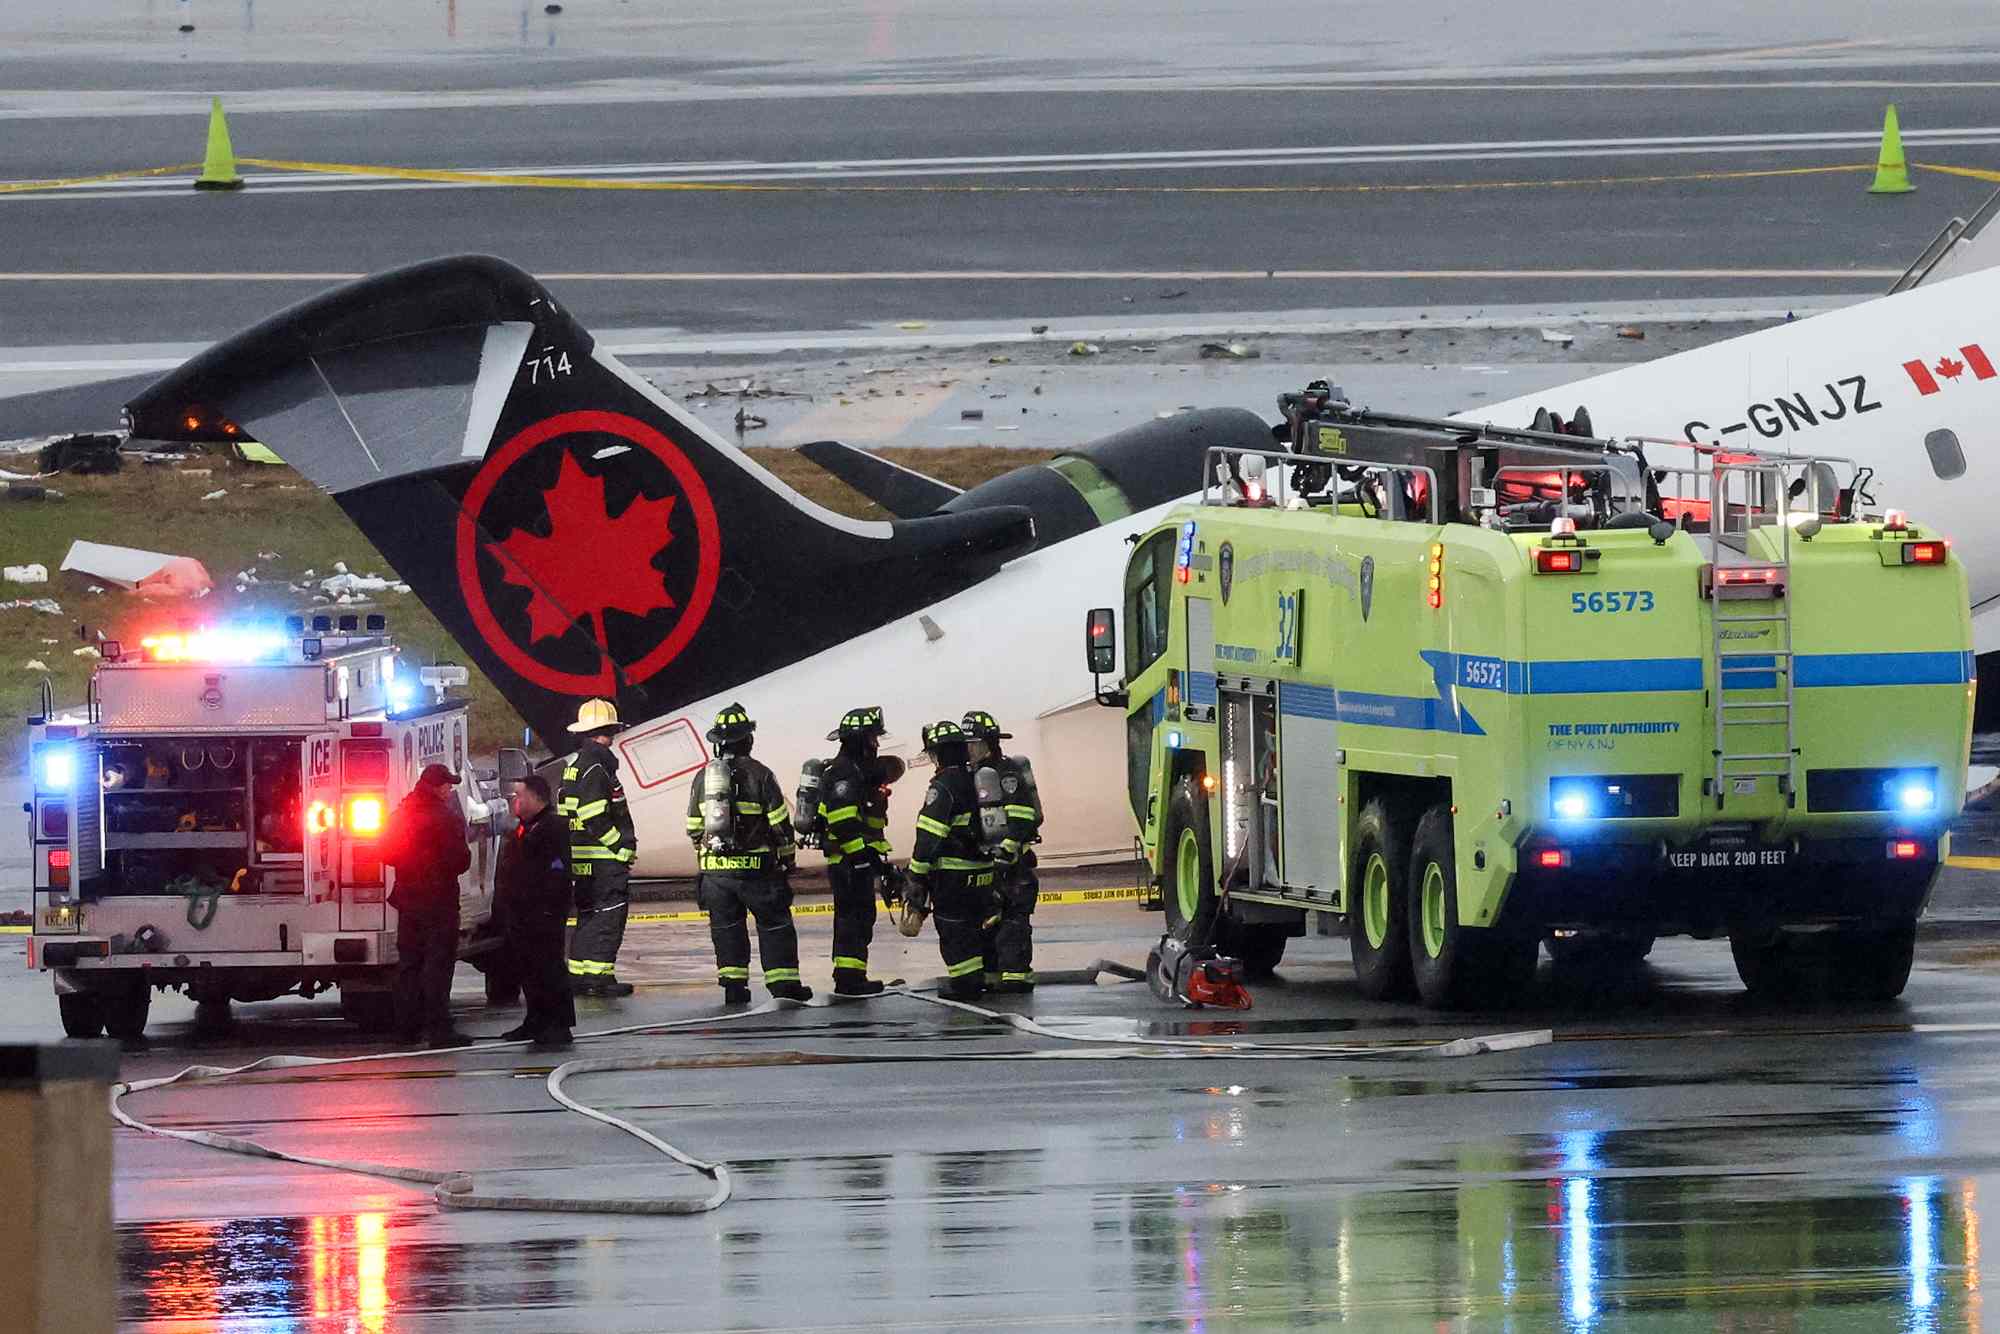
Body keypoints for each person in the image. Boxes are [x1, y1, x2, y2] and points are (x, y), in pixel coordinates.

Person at [685, 703, 811, 1004]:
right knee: (774, 925)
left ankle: (734, 987)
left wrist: (710, 856)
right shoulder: (761, 774)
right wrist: (788, 859)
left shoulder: (702, 778)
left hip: (716, 875)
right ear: (748, 740)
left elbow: (693, 827)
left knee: (726, 928)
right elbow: (780, 823)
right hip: (758, 871)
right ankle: (784, 987)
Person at [383, 763, 473, 1048]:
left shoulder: (401, 814)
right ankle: (439, 1029)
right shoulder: (445, 818)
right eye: (447, 785)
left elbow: (385, 852)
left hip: (408, 899)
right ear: (436, 786)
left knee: (409, 964)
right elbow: (461, 860)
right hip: (439, 900)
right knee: (438, 964)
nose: (449, 790)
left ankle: (406, 1028)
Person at [906, 721, 996, 1000]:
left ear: (938, 754)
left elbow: (929, 835)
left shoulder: (943, 785)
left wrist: (916, 874)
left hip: (954, 875)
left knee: (954, 928)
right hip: (984, 871)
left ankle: (965, 985)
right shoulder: (978, 779)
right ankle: (985, 978)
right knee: (976, 927)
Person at [817, 706, 902, 997]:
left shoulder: (856, 771)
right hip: (848, 861)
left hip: (855, 858)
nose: (876, 744)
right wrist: (861, 858)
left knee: (858, 918)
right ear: (862, 740)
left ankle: (851, 975)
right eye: (873, 738)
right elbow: (842, 821)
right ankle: (850, 980)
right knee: (853, 919)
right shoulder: (844, 772)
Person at [559, 698, 637, 998]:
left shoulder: (574, 766)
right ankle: (599, 977)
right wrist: (621, 848)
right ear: (608, 731)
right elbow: (594, 815)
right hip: (603, 859)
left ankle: (580, 974)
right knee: (609, 916)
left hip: (582, 857)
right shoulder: (596, 767)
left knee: (589, 915)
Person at [964, 710, 1044, 994]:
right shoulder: (973, 775)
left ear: (988, 743)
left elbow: (1022, 816)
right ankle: (992, 975)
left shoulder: (1005, 771)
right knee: (987, 920)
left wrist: (1007, 851)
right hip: (987, 862)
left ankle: (1015, 976)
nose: (969, 750)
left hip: (1012, 862)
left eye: (973, 744)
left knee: (1012, 920)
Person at [494, 775, 575, 1048]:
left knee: (549, 967)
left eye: (520, 796)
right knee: (528, 969)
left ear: (536, 797)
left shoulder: (551, 828)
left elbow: (556, 871)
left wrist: (547, 908)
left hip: (543, 912)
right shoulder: (526, 827)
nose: (515, 801)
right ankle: (535, 1020)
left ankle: (559, 1025)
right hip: (522, 912)